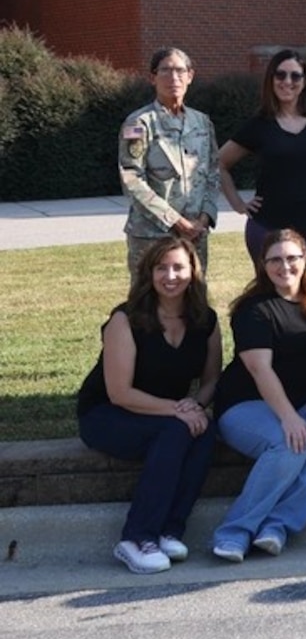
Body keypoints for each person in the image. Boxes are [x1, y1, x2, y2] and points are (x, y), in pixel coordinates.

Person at [77, 236, 222, 574]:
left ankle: (171, 530)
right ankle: (136, 538)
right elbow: (119, 393)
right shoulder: (126, 319)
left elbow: (212, 379)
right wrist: (179, 410)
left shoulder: (206, 321)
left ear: (193, 273)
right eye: (161, 268)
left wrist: (196, 406)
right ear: (149, 273)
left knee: (204, 431)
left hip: (166, 414)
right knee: (176, 431)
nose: (170, 276)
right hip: (107, 415)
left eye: (178, 267)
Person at [212, 229, 306, 562]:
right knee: (289, 444)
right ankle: (235, 532)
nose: (284, 266)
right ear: (263, 265)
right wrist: (289, 418)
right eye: (275, 259)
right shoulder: (254, 309)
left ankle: (278, 524)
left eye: (292, 258)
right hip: (246, 405)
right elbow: (261, 369)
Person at [218, 49, 306, 286]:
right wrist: (237, 203)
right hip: (268, 228)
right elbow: (219, 163)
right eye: (280, 75)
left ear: (305, 81)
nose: (287, 82)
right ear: (271, 79)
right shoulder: (260, 124)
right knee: (272, 300)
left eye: (295, 76)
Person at [118, 48, 219, 274]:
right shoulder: (138, 124)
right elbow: (131, 179)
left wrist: (205, 217)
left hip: (196, 233)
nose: (174, 78)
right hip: (152, 235)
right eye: (165, 70)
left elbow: (213, 172)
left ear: (190, 76)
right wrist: (175, 221)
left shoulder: (202, 122)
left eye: (180, 70)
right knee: (148, 303)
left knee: (194, 300)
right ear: (152, 78)